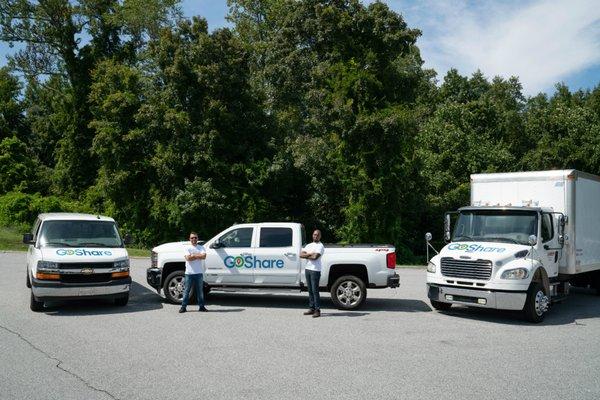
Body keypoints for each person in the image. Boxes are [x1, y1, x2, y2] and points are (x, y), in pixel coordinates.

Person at [179, 232, 208, 313]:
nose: (194, 239)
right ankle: (183, 307)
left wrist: (193, 255)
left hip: (199, 273)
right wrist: (198, 255)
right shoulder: (187, 248)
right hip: (189, 273)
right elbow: (188, 258)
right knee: (186, 291)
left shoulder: (201, 247)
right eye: (192, 238)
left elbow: (204, 256)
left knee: (200, 292)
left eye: (195, 237)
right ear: (189, 239)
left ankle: (201, 307)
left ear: (197, 238)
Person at [300, 229, 325, 318]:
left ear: (320, 236)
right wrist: (310, 254)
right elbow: (301, 255)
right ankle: (311, 308)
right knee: (310, 290)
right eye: (314, 234)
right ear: (312, 235)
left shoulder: (320, 246)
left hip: (315, 270)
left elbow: (315, 257)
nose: (315, 236)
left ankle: (317, 310)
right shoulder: (309, 245)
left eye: (317, 235)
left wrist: (308, 255)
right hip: (308, 269)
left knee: (315, 291)